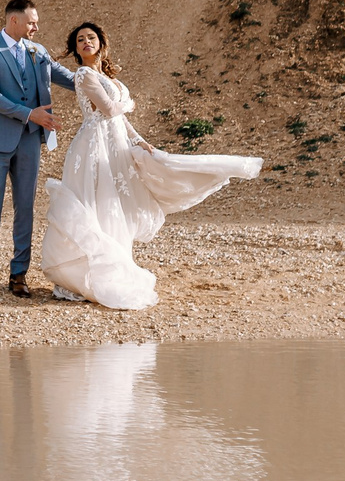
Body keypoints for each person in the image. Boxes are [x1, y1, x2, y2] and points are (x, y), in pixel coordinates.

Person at [37, 21, 262, 309]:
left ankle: (115, 263)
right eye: (80, 39)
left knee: (115, 204)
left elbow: (120, 120)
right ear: (76, 49)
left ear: (101, 44)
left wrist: (139, 141)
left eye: (91, 38)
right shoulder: (83, 74)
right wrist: (128, 103)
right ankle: (91, 270)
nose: (86, 42)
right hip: (94, 147)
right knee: (96, 203)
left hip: (115, 145)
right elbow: (109, 109)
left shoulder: (105, 75)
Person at [0, 0, 78, 295]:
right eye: (32, 21)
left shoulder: (38, 51)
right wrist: (31, 113)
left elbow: (68, 79)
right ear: (13, 20)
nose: (36, 26)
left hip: (30, 140)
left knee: (25, 207)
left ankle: (19, 274)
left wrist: (99, 77)